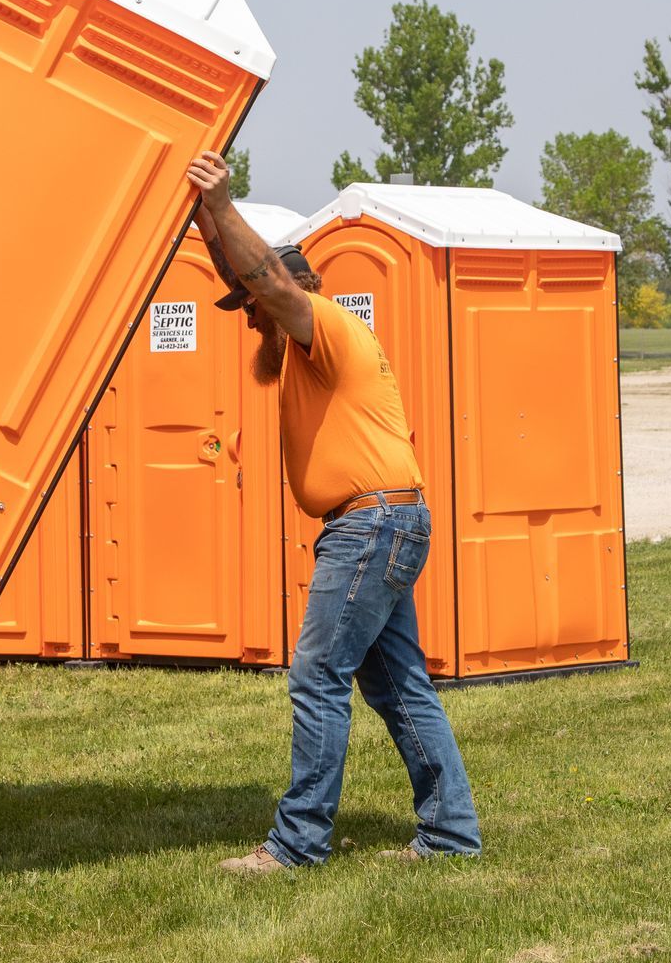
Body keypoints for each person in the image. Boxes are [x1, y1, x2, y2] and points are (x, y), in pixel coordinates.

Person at [182, 151, 481, 873]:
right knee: (396, 683)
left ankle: (296, 844)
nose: (250, 315)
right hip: (387, 520)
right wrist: (201, 220)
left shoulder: (319, 322)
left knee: (317, 675)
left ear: (295, 287)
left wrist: (222, 206)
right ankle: (451, 834)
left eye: (252, 303)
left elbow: (273, 285)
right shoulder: (305, 353)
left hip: (370, 526)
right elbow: (254, 281)